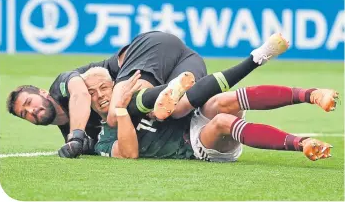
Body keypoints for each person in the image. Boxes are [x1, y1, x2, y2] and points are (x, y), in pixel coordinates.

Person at [6, 31, 287, 156]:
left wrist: (76, 137)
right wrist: (84, 144)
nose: (31, 111)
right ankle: (256, 59)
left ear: (43, 93)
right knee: (180, 107)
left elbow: (80, 95)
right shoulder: (74, 130)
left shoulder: (64, 86)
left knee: (121, 105)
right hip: (183, 65)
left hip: (148, 50)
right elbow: (108, 145)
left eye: (29, 103)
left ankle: (161, 95)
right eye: (24, 113)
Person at [79, 67, 335, 161]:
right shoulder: (103, 139)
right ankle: (301, 144)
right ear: (87, 102)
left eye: (105, 88)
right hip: (194, 145)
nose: (100, 95)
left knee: (223, 101)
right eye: (92, 93)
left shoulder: (138, 100)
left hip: (192, 118)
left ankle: (311, 94)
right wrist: (120, 109)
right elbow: (129, 153)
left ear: (115, 86)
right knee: (224, 121)